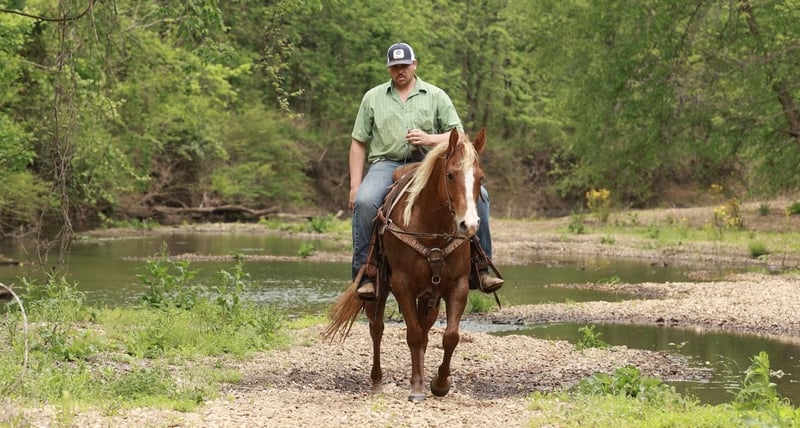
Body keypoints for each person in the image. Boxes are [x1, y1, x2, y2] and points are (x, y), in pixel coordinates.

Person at [349, 42, 503, 300]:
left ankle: (481, 266)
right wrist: (355, 185)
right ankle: (366, 274)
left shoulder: (436, 95)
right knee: (365, 201)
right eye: (395, 67)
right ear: (388, 69)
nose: (400, 71)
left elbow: (460, 135)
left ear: (414, 65)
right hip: (386, 163)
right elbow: (358, 142)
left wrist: (429, 139)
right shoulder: (372, 97)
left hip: (427, 163)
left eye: (404, 65)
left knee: (482, 197)